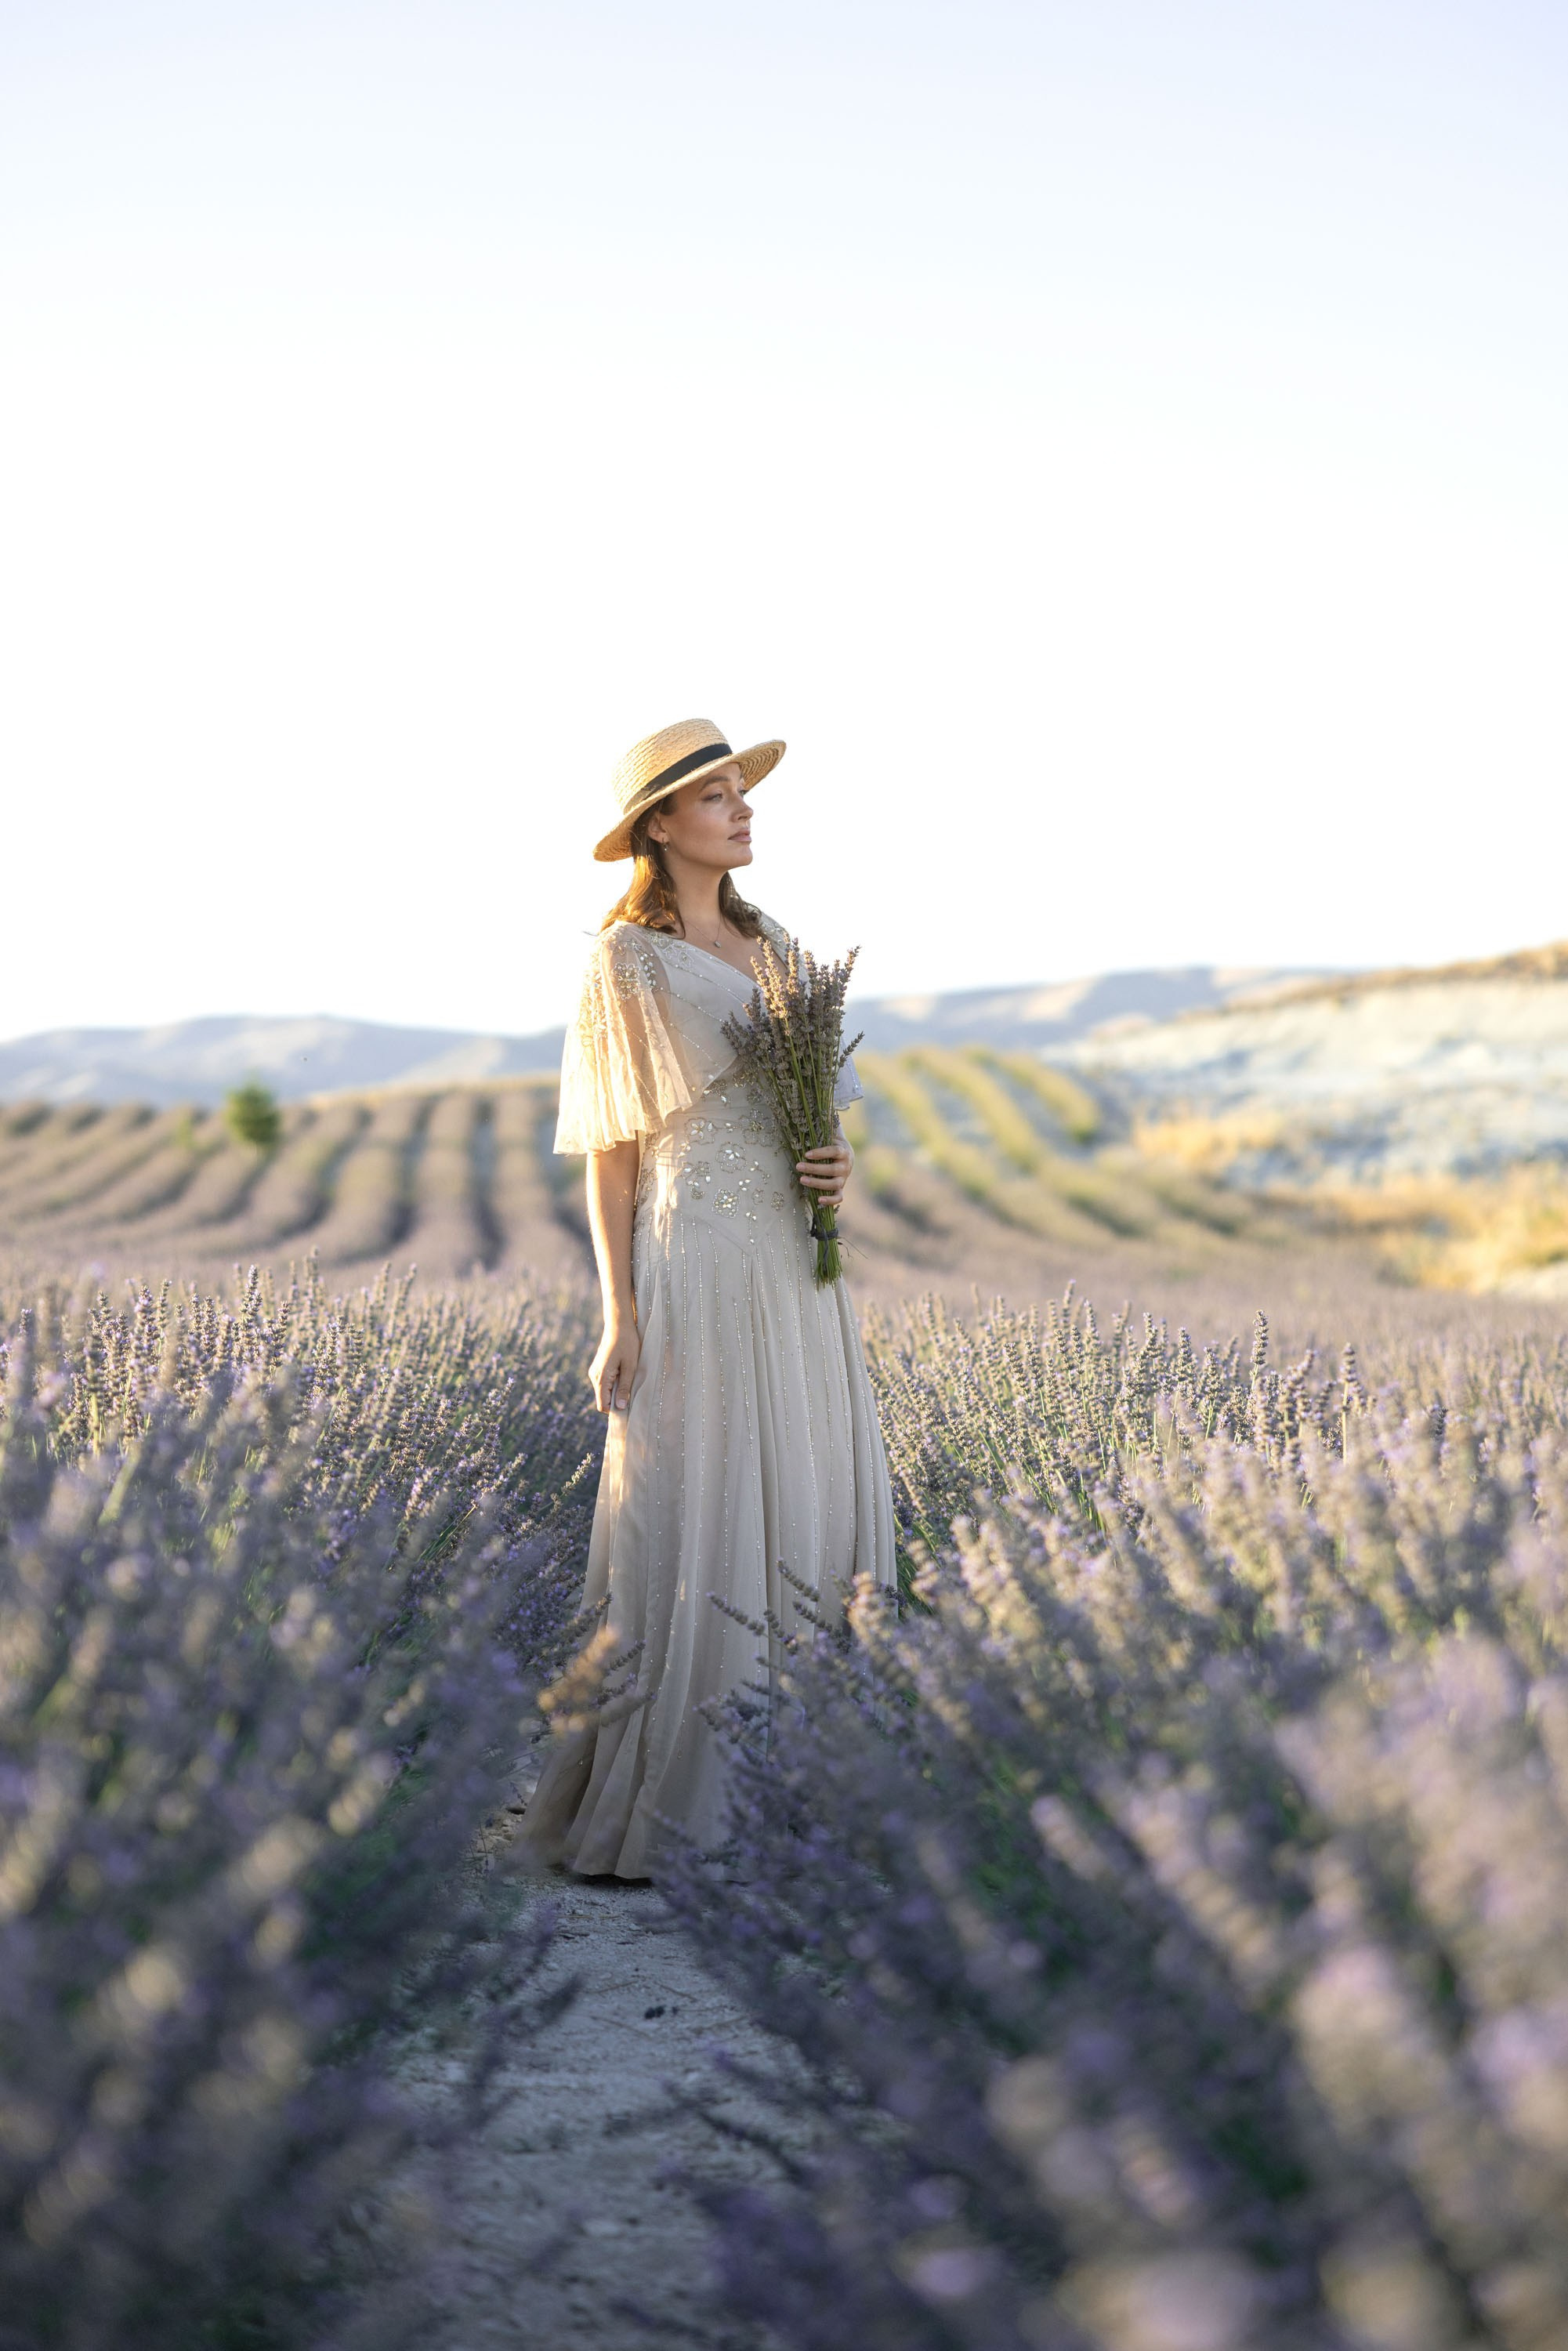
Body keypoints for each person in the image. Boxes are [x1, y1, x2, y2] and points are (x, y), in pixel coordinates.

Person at [514, 717, 898, 1879]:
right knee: (699, 1493)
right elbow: (613, 1154)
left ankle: (793, 1803)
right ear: (660, 825)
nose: (743, 810)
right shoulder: (626, 960)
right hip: (698, 1254)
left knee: (811, 1488)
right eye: (717, 796)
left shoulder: (779, 943)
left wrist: (835, 1164)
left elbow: (808, 1115)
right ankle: (677, 1812)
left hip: (795, 1258)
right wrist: (617, 1315)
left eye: (743, 792)